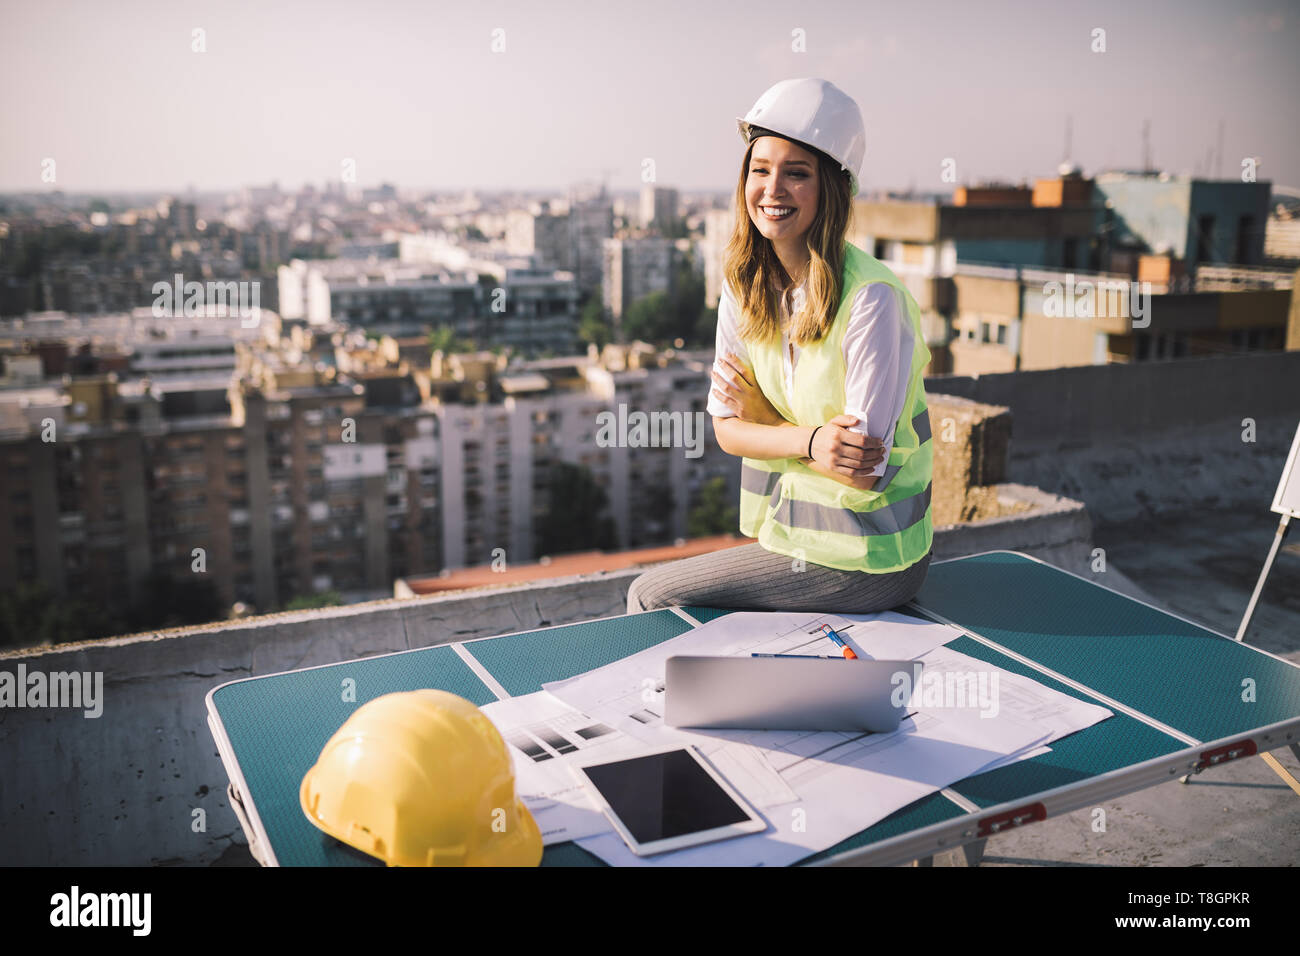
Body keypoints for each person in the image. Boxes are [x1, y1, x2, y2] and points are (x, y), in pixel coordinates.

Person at [625, 77, 934, 615]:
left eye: (797, 173)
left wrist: (770, 424)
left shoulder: (871, 300)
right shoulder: (741, 288)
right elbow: (725, 430)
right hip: (791, 542)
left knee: (652, 595)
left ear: (832, 190)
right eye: (760, 170)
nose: (773, 189)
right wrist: (812, 442)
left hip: (871, 560)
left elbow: (863, 470)